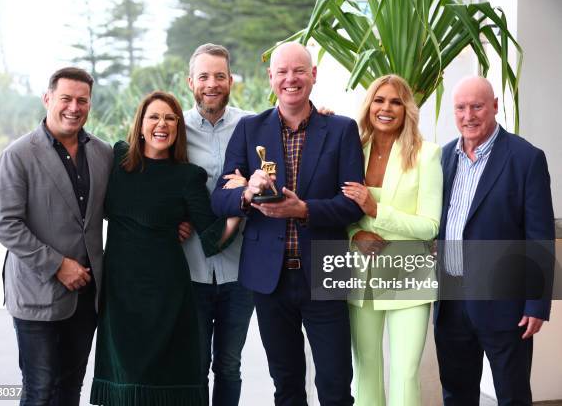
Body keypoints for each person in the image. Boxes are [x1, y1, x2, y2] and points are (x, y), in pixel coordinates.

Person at [211, 42, 364, 406]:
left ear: (313, 75)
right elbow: (220, 197)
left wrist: (304, 210)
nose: (290, 79)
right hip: (269, 279)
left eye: (299, 71)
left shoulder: (341, 129)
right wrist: (247, 191)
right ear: (271, 78)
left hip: (326, 272)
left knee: (336, 385)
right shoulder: (251, 130)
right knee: (287, 385)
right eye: (282, 72)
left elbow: (352, 206)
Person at [90, 91, 242, 406]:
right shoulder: (118, 159)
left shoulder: (187, 177)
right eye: (154, 117)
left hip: (167, 296)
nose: (162, 124)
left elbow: (213, 238)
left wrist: (240, 203)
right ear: (140, 124)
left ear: (178, 128)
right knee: (125, 385)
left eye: (170, 118)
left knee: (168, 385)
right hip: (120, 295)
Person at [0, 67, 113, 406]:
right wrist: (58, 265)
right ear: (48, 99)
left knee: (70, 388)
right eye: (66, 99)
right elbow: (4, 223)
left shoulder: (103, 153)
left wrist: (172, 223)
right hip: (36, 293)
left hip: (88, 295)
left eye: (82, 100)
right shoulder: (18, 154)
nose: (74, 107)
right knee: (39, 389)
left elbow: (121, 208)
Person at [434, 76, 555, 405]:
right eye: (460, 108)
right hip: (451, 301)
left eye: (477, 106)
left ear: (495, 107)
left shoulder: (526, 158)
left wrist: (536, 303)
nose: (468, 115)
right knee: (456, 394)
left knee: (512, 395)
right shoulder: (442, 159)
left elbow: (539, 235)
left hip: (506, 303)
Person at [342, 74, 443, 406]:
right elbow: (336, 210)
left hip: (408, 274)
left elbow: (430, 225)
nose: (386, 108)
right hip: (360, 274)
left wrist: (376, 209)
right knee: (365, 369)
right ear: (369, 105)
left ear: (407, 109)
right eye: (379, 100)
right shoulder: (352, 149)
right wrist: (355, 233)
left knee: (404, 373)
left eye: (396, 101)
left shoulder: (427, 155)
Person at [180, 43, 255, 406]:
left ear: (231, 81)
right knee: (193, 365)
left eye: (220, 76)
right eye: (204, 76)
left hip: (241, 271)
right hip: (189, 268)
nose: (212, 84)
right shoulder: (173, 127)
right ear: (190, 81)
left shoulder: (254, 125)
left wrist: (322, 113)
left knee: (229, 364)